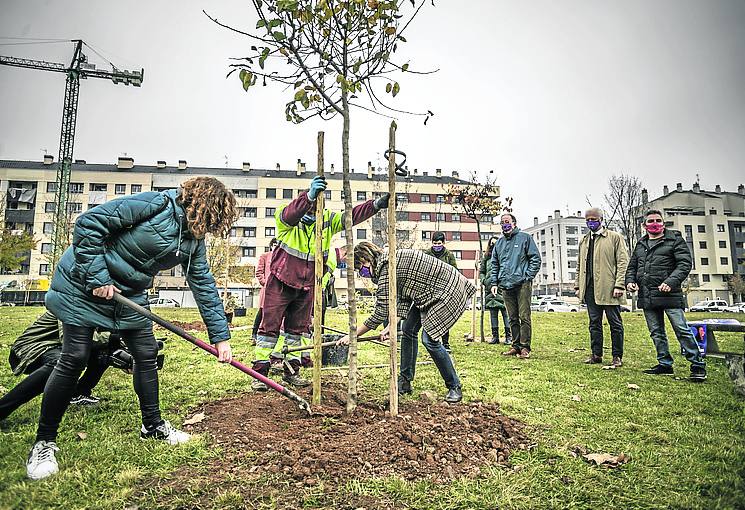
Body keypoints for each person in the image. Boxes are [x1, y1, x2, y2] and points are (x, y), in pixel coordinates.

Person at [26, 176, 237, 481]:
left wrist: (221, 337)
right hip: (82, 282)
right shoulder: (155, 204)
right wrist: (98, 277)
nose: (215, 226)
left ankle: (152, 426)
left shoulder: (192, 240)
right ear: (201, 205)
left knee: (146, 352)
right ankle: (44, 443)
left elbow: (203, 284)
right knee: (75, 356)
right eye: (215, 217)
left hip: (128, 295)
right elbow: (88, 224)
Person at [252, 176, 389, 391]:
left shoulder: (326, 221)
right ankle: (260, 375)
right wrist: (308, 197)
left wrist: (375, 206)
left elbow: (349, 217)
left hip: (307, 286)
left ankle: (291, 371)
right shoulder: (286, 217)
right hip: (281, 282)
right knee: (269, 329)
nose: (312, 211)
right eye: (309, 205)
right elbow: (291, 214)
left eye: (316, 206)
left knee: (296, 331)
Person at [339, 242, 475, 403]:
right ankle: (405, 381)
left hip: (448, 290)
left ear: (365, 259)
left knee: (429, 339)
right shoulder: (389, 263)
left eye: (360, 268)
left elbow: (380, 313)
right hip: (427, 293)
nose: (362, 274)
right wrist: (391, 326)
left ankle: (454, 386)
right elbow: (404, 297)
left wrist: (352, 335)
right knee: (408, 330)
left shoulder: (387, 269)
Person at [625, 209, 706, 381]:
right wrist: (630, 281)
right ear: (644, 225)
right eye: (650, 221)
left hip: (670, 294)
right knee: (656, 332)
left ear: (663, 223)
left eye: (658, 220)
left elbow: (684, 264)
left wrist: (670, 282)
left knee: (682, 330)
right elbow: (632, 267)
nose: (654, 224)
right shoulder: (640, 244)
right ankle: (664, 363)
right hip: (647, 296)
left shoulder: (675, 240)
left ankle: (697, 365)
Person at [1, 311, 111, 421]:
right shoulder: (71, 302)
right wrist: (113, 338)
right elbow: (71, 338)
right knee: (60, 363)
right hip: (31, 348)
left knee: (104, 352)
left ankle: (78, 394)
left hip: (57, 347)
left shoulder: (103, 309)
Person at [574, 208, 629, 367]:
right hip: (590, 288)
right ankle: (596, 354)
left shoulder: (614, 238)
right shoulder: (584, 241)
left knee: (615, 323)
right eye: (588, 219)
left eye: (593, 219)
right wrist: (578, 286)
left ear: (601, 219)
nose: (590, 222)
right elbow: (579, 265)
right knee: (594, 323)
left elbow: (622, 263)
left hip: (609, 288)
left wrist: (620, 284)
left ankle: (617, 356)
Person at [490, 213, 541, 359]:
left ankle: (525, 347)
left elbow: (535, 259)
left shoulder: (525, 238)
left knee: (524, 316)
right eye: (502, 222)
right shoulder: (499, 243)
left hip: (522, 284)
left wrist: (527, 276)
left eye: (507, 222)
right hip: (506, 285)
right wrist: (494, 282)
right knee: (512, 317)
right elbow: (495, 264)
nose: (504, 224)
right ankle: (516, 345)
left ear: (514, 223)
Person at [423, 231, 458, 351]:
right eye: (434, 243)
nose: (436, 245)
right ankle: (433, 341)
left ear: (443, 243)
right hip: (430, 289)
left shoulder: (449, 255)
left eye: (439, 243)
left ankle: (446, 343)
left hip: (444, 289)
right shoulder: (426, 254)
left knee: (443, 316)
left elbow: (455, 271)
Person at [479, 236, 511, 345]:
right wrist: (484, 281)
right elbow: (482, 271)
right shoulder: (486, 259)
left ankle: (508, 336)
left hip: (501, 288)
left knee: (505, 313)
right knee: (493, 313)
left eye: (496, 243)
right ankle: (495, 337)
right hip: (489, 289)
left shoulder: (504, 257)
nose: (493, 246)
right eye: (491, 244)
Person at [252, 238, 279, 344]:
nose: (276, 247)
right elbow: (259, 272)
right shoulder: (265, 256)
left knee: (275, 313)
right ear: (271, 245)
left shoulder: (282, 257)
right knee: (262, 311)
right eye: (274, 245)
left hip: (279, 290)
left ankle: (272, 335)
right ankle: (254, 333)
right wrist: (265, 282)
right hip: (267, 289)